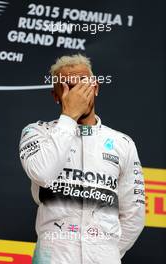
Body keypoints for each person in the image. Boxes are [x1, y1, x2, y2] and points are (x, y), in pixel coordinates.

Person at [19, 54, 145, 264]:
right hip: (53, 257)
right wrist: (69, 117)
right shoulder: (36, 132)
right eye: (67, 86)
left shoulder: (123, 143)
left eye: (82, 84)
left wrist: (104, 251)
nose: (76, 92)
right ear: (56, 95)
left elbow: (134, 213)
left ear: (95, 88)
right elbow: (42, 173)